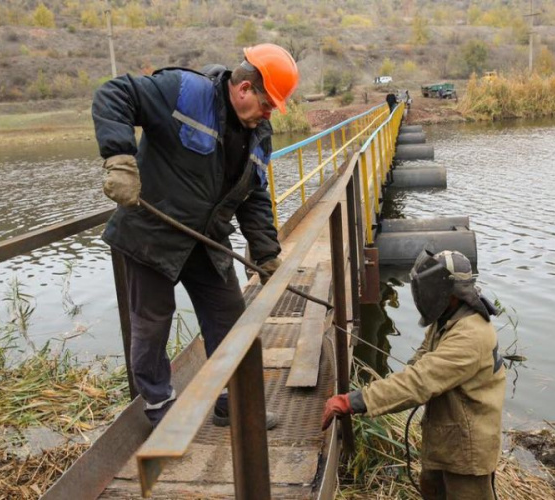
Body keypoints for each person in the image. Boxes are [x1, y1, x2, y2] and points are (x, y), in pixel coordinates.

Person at [92, 43, 299, 428]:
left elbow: (253, 194)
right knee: (152, 324)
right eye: (268, 104)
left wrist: (266, 251)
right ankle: (159, 406)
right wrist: (119, 158)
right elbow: (114, 93)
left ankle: (231, 400)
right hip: (151, 236)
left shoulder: (259, 132)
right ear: (244, 89)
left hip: (206, 240)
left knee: (228, 316)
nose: (270, 114)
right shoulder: (184, 91)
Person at [322, 250, 506, 500]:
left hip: (467, 450)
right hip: (446, 439)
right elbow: (419, 363)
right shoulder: (448, 319)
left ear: (450, 293)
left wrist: (353, 401)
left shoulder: (470, 335)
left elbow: (419, 381)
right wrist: (391, 389)